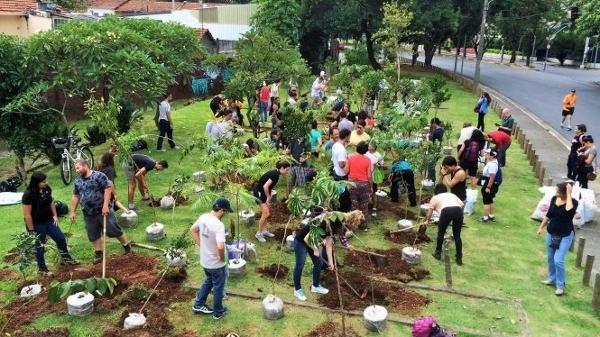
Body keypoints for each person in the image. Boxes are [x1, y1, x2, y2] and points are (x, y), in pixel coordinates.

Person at [70, 160, 131, 264]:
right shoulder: (77, 181)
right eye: (76, 169)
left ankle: (126, 245)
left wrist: (105, 206)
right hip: (88, 212)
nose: (77, 171)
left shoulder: (99, 176)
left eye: (78, 168)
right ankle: (99, 253)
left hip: (103, 210)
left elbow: (108, 188)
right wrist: (72, 211)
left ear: (85, 166)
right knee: (93, 233)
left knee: (113, 229)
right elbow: (76, 196)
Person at [292, 211, 361, 301]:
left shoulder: (336, 224)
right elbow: (307, 238)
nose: (344, 230)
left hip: (312, 241)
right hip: (301, 241)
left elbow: (328, 245)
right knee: (300, 265)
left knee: (319, 263)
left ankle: (315, 286)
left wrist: (331, 263)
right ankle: (297, 290)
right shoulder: (325, 222)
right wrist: (316, 250)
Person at [23, 172, 79, 275]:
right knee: (40, 245)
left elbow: (51, 202)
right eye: (43, 182)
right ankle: (42, 269)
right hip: (36, 223)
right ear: (36, 183)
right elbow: (27, 215)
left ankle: (65, 258)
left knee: (60, 238)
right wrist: (31, 231)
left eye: (46, 181)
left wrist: (55, 215)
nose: (46, 183)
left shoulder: (46, 189)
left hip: (48, 220)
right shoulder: (28, 194)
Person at [191, 197, 232, 319]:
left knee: (208, 281)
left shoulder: (203, 217)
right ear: (222, 210)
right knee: (218, 287)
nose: (225, 214)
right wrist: (221, 258)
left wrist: (202, 245)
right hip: (216, 263)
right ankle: (218, 311)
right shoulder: (218, 225)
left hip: (205, 261)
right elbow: (220, 247)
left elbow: (193, 230)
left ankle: (198, 304)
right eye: (226, 211)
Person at [536, 182, 577, 296]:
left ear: (565, 193)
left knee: (558, 260)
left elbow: (569, 210)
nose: (556, 193)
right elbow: (549, 214)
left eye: (558, 191)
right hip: (551, 232)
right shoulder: (554, 198)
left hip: (565, 234)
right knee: (550, 257)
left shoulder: (573, 202)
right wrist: (541, 227)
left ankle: (560, 286)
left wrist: (569, 193)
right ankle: (551, 279)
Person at [424, 184, 464, 265]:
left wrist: (427, 221)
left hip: (446, 211)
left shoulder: (435, 197)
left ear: (436, 191)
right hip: (459, 211)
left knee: (441, 233)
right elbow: (462, 204)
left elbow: (430, 211)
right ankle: (459, 258)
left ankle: (437, 254)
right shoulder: (451, 194)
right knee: (457, 235)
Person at [254, 161, 291, 243]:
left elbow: (269, 187)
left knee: (267, 213)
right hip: (259, 193)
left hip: (262, 192)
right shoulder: (275, 175)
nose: (287, 172)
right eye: (287, 170)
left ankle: (264, 231)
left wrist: (268, 199)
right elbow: (265, 186)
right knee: (266, 213)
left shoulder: (276, 173)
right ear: (282, 168)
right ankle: (258, 234)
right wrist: (268, 196)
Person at [344, 141, 372, 230]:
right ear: (365, 151)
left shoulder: (350, 157)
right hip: (364, 184)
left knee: (354, 205)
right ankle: (363, 226)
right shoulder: (368, 160)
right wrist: (371, 186)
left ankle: (352, 226)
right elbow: (369, 176)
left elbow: (345, 171)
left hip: (352, 184)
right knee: (364, 206)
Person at [331, 129, 352, 212]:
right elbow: (341, 164)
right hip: (340, 175)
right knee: (343, 195)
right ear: (346, 137)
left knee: (338, 194)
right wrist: (348, 160)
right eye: (349, 136)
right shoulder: (341, 149)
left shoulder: (336, 145)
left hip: (335, 171)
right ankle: (342, 212)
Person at [480, 149, 502, 223]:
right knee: (490, 200)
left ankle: (485, 218)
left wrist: (488, 187)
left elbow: (492, 178)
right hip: (491, 183)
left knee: (486, 200)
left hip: (490, 184)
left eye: (488, 153)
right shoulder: (492, 162)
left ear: (492, 155)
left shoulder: (492, 165)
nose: (486, 154)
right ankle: (491, 216)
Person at [365, 142, 384, 213]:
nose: (368, 146)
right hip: (365, 176)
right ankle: (365, 206)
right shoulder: (366, 153)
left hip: (373, 177)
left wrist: (378, 165)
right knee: (365, 193)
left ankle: (374, 207)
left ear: (373, 147)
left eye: (369, 145)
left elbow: (382, 165)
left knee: (373, 192)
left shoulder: (378, 155)